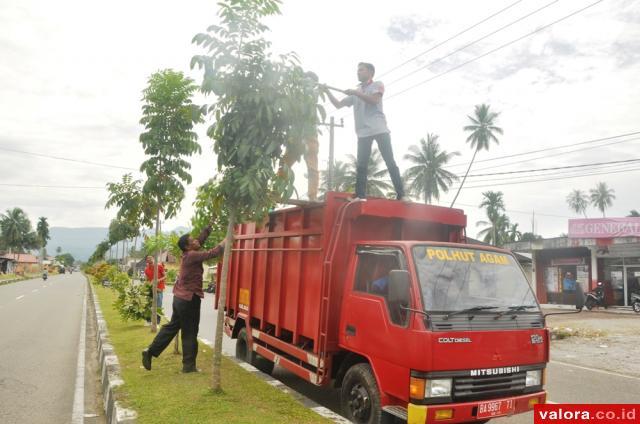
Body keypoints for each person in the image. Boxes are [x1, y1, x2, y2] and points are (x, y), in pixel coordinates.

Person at [142, 224, 225, 373]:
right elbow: (212, 253)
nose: (196, 241)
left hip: (179, 298)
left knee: (172, 327)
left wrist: (207, 229)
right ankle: (189, 366)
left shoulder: (188, 254)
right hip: (189, 299)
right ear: (187, 246)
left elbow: (199, 241)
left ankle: (150, 351)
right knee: (190, 331)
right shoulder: (193, 256)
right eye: (192, 240)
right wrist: (227, 240)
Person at [323, 62, 404, 200]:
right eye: (358, 70)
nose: (358, 72)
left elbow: (374, 100)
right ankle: (360, 195)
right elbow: (338, 104)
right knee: (361, 165)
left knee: (389, 161)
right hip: (363, 132)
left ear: (370, 72)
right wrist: (326, 91)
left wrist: (355, 92)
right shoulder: (356, 92)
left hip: (380, 129)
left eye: (361, 70)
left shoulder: (377, 84)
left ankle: (401, 194)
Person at [280, 71, 321, 201]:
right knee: (306, 165)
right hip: (300, 135)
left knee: (308, 165)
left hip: (305, 135)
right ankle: (312, 195)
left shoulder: (312, 93)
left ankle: (312, 195)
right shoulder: (297, 95)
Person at [144, 256, 166, 325]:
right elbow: (147, 280)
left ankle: (157, 323)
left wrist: (158, 280)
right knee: (148, 304)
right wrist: (147, 285)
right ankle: (148, 321)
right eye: (148, 258)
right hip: (151, 289)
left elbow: (165, 276)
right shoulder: (146, 269)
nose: (149, 259)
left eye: (151, 258)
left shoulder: (159, 266)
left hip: (159, 289)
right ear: (146, 261)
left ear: (153, 259)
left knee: (158, 306)